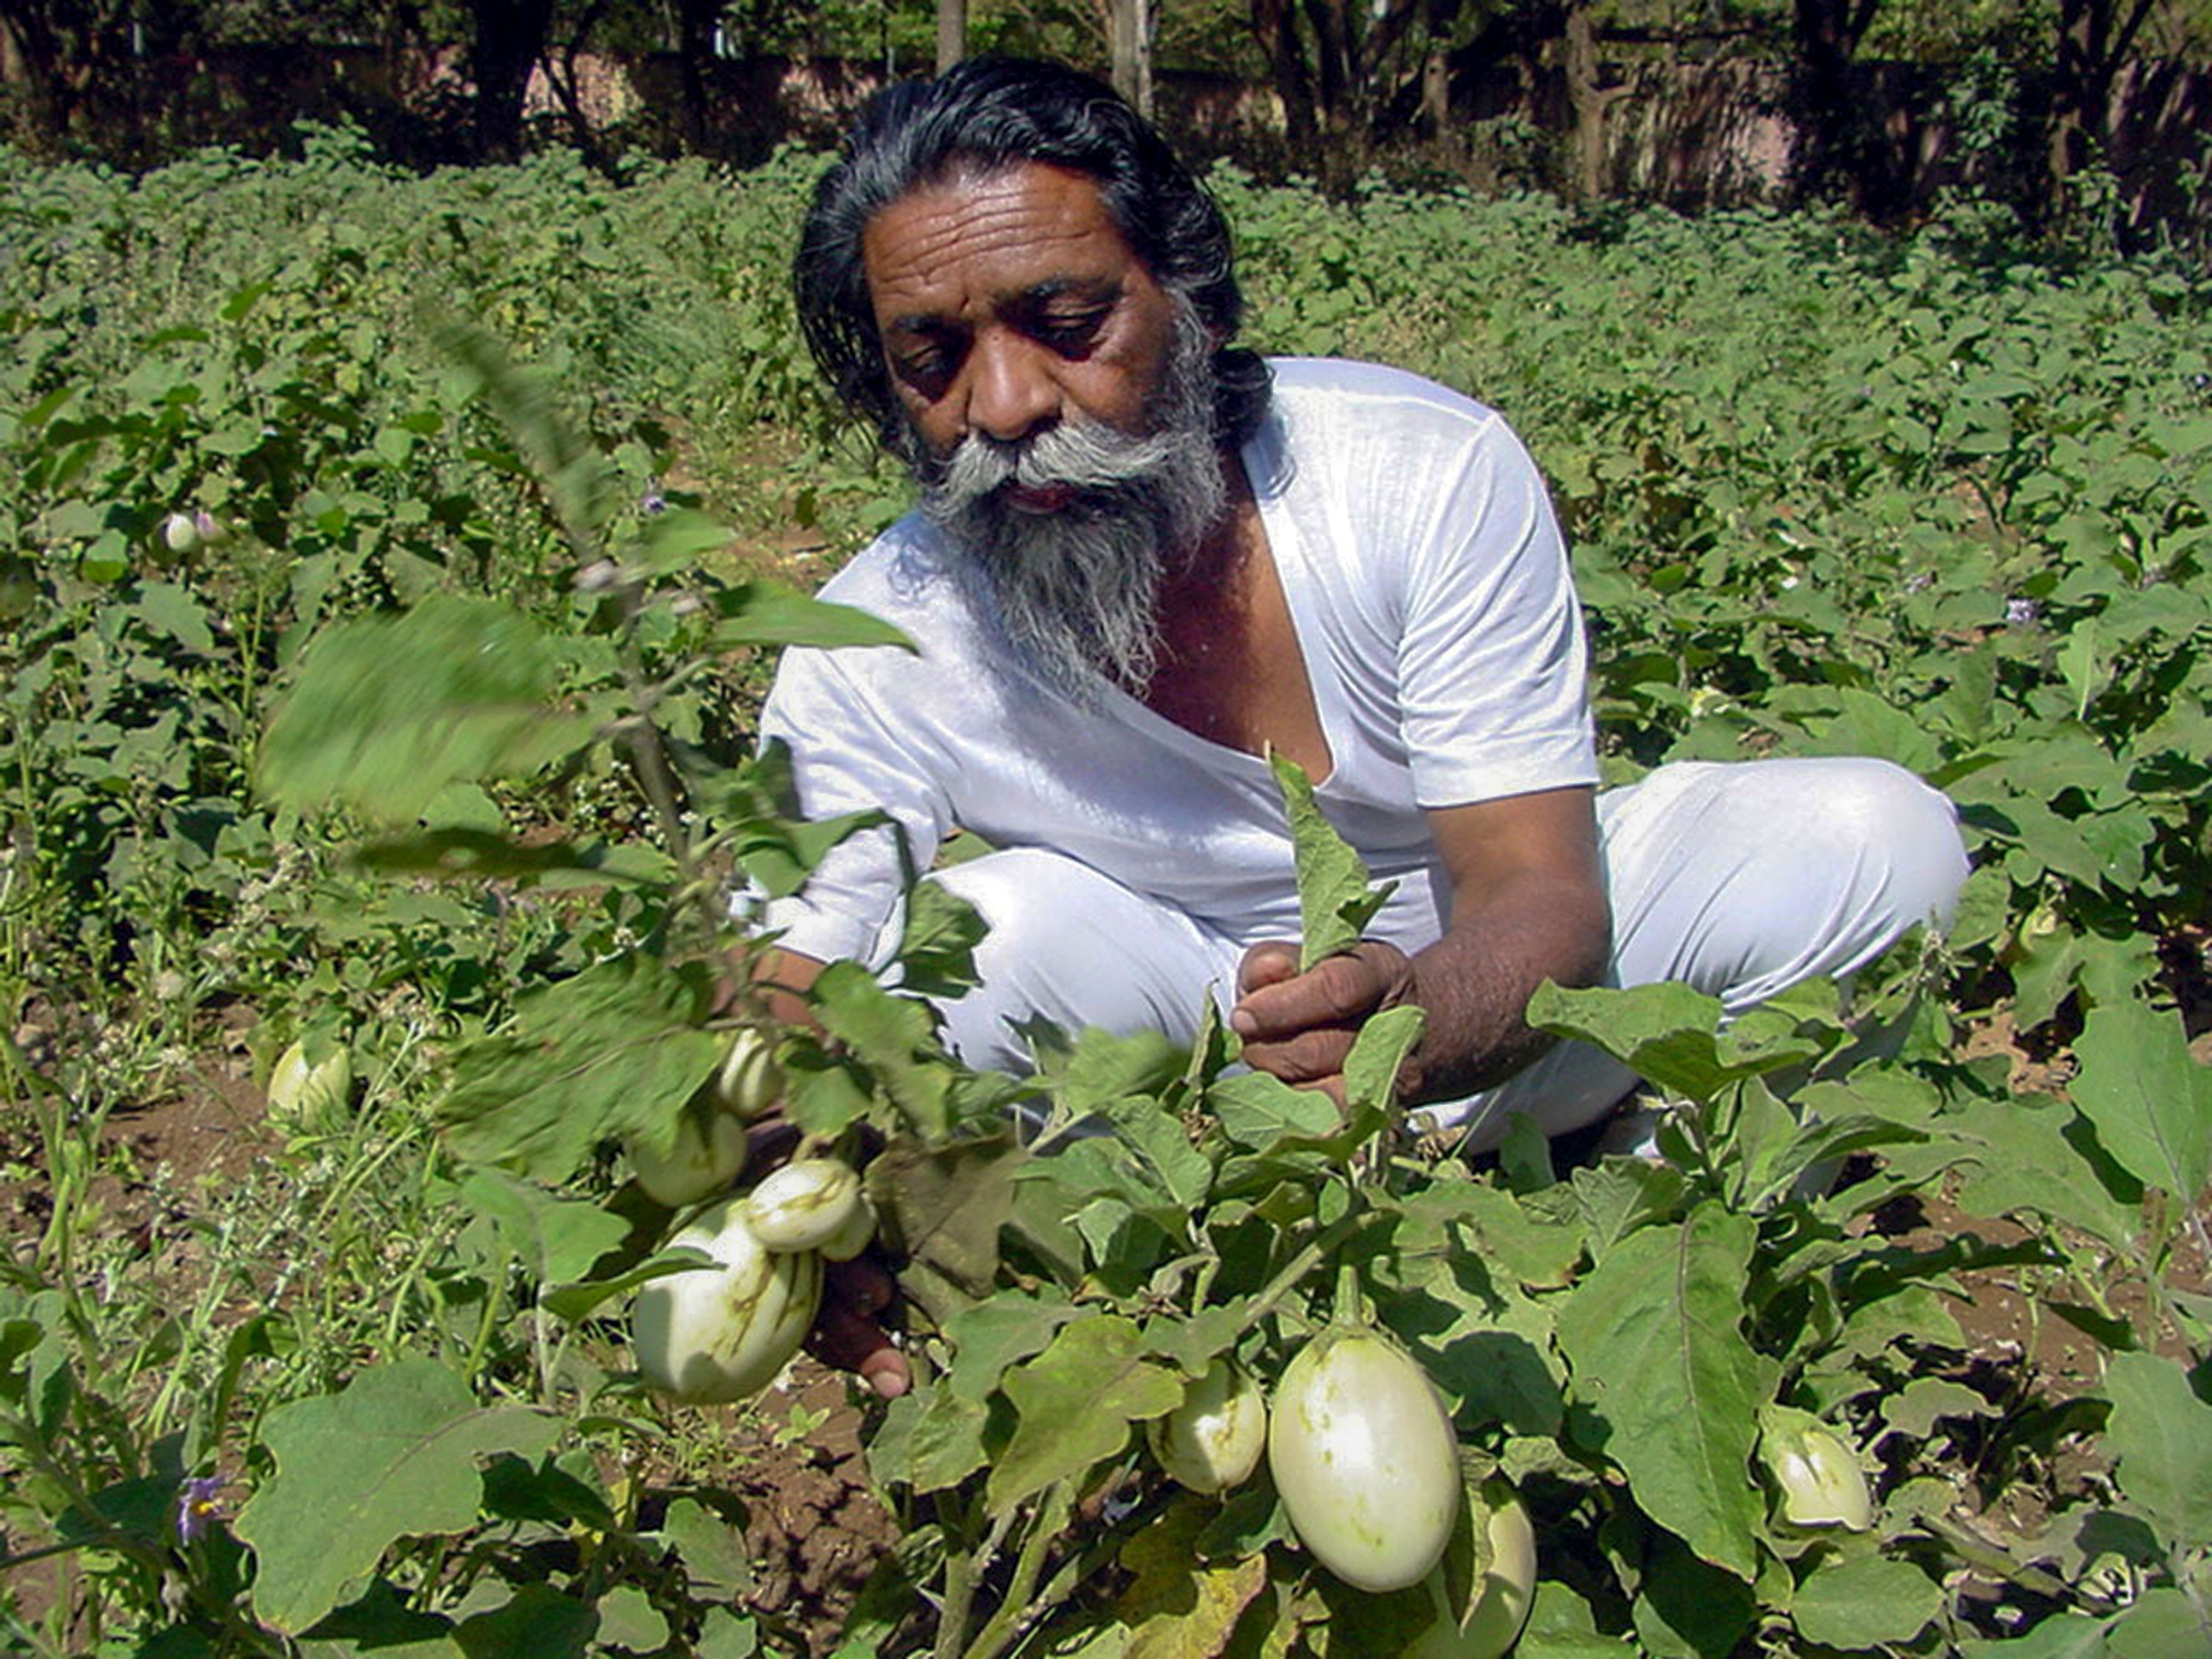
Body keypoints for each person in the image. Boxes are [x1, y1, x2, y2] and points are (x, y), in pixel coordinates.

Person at [753, 56, 1970, 1397]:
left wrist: (1407, 1027)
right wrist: (787, 1169)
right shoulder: (879, 635)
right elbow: (787, 975)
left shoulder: (1410, 473)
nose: (1004, 407)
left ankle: (1658, 1229)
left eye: (1069, 323)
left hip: (1489, 990)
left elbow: (1541, 891)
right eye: (931, 359)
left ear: (1190, 298)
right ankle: (1132, 1310)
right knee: (972, 948)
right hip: (1179, 1052)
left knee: (1880, 842)